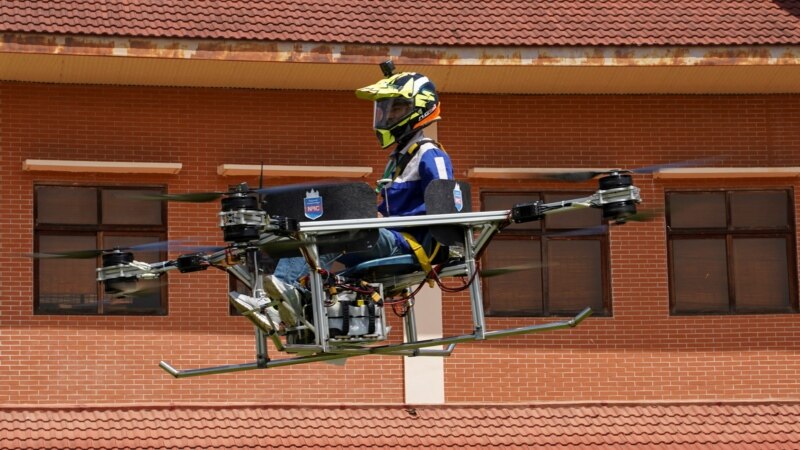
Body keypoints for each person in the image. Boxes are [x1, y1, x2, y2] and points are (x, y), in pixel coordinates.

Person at [230, 71, 453, 333]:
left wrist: (380, 220)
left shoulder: (430, 154)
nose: (387, 116)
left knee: (337, 227)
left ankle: (280, 299)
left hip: (407, 246)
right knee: (311, 231)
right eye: (385, 110)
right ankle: (280, 305)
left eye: (396, 109)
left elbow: (446, 208)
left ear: (420, 108)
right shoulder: (400, 158)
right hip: (389, 239)